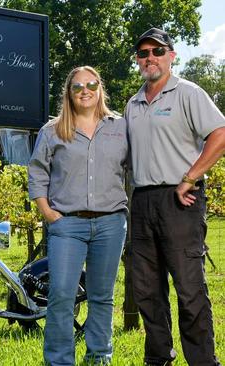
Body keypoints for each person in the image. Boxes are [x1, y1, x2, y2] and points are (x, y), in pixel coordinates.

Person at [125, 27, 225, 366]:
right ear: (138, 60)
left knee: (189, 289)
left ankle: (201, 361)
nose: (150, 57)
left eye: (157, 51)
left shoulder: (188, 93)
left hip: (179, 202)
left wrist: (190, 178)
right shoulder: (132, 104)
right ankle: (158, 360)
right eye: (143, 52)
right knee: (147, 292)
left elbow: (220, 135)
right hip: (141, 203)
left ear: (171, 55)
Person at [28, 66, 128, 365]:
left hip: (111, 223)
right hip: (67, 224)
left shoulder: (120, 127)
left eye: (91, 84)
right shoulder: (52, 131)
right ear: (68, 93)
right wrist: (47, 211)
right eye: (77, 86)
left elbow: (138, 167)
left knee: (102, 295)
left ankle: (99, 356)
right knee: (61, 294)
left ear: (100, 89)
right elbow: (37, 172)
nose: (85, 90)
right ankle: (59, 360)